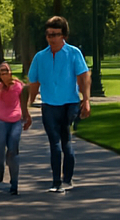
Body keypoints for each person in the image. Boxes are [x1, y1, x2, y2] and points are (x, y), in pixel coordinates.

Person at [24, 15, 90, 193]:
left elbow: (84, 77)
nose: (52, 38)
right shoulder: (40, 57)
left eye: (55, 34)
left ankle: (67, 179)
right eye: (49, 35)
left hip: (70, 104)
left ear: (64, 35)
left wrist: (87, 100)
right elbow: (34, 82)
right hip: (49, 105)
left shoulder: (73, 53)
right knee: (54, 143)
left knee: (65, 140)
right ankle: (56, 181)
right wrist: (28, 106)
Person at [0, 60, 31, 195]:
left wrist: (27, 117)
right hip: (0, 121)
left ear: (11, 72)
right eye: (2, 72)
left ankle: (14, 183)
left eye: (6, 71)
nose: (5, 74)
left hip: (15, 121)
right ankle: (0, 168)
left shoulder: (19, 86)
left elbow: (24, 104)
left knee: (13, 151)